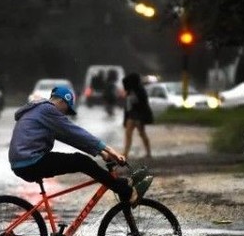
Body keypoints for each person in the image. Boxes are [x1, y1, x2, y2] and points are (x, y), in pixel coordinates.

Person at [8, 86, 152, 205]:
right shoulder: (48, 109)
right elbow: (75, 132)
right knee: (81, 162)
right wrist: (110, 150)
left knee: (81, 161)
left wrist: (100, 152)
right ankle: (124, 191)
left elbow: (71, 138)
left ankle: (119, 184)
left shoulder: (42, 112)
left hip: (25, 163)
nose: (66, 114)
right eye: (67, 109)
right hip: (30, 162)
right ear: (63, 101)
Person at [121, 72, 153, 159]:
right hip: (131, 115)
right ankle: (126, 153)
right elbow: (127, 107)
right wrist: (125, 119)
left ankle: (148, 152)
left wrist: (143, 117)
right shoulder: (130, 92)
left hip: (138, 116)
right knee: (128, 134)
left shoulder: (140, 91)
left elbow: (143, 105)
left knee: (142, 133)